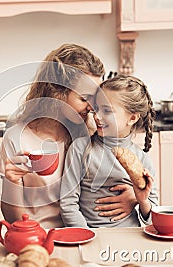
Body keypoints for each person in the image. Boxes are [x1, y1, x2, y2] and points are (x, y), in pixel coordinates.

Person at [0, 44, 138, 229]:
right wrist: (12, 182)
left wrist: (134, 195)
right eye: (83, 98)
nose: (92, 107)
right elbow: (12, 220)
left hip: (86, 234)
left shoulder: (90, 131)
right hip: (41, 239)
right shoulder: (16, 138)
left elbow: (123, 172)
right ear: (56, 92)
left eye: (95, 99)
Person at [60, 74, 159, 228]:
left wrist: (141, 200)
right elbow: (68, 205)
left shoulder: (141, 159)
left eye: (107, 111)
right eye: (97, 109)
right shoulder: (81, 148)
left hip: (130, 235)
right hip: (90, 235)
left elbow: (153, 219)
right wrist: (86, 236)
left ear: (132, 118)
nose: (97, 117)